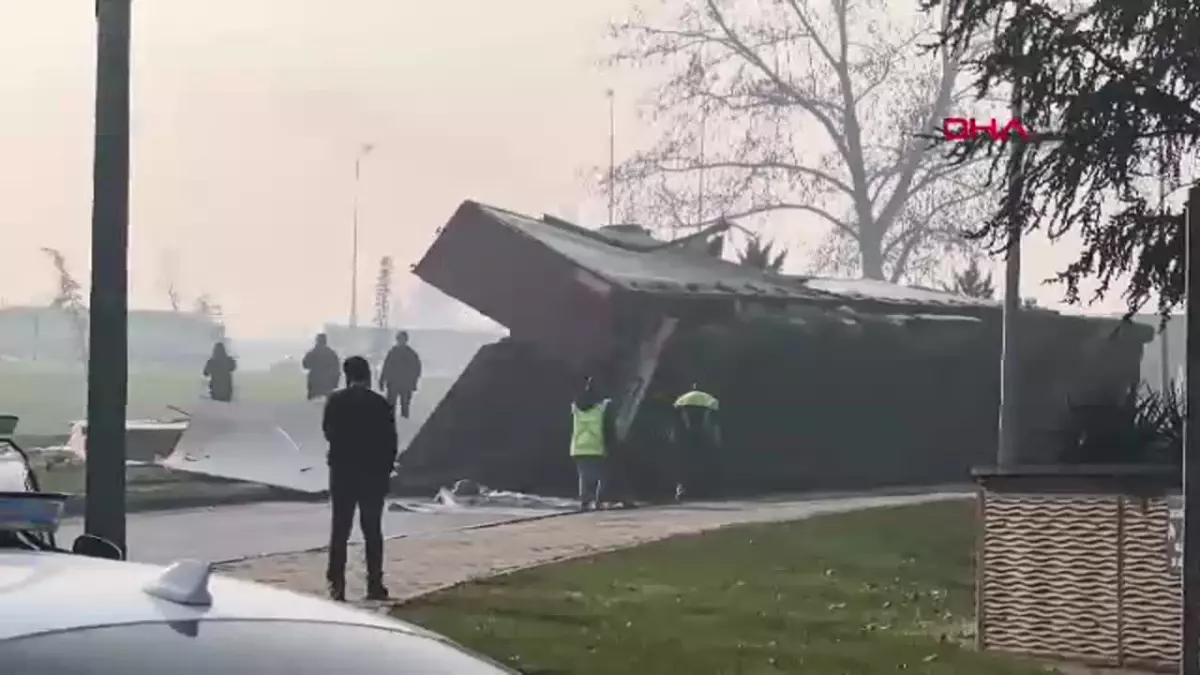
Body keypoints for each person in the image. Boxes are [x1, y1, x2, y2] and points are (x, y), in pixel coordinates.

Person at [321, 356, 398, 602]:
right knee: (372, 530)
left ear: (347, 375)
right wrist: (385, 471)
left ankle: (337, 584)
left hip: (343, 472)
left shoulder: (336, 400)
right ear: (369, 375)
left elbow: (329, 432)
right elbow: (390, 442)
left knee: (340, 528)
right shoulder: (380, 403)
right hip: (373, 474)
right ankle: (374, 583)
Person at [570, 377, 616, 511]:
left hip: (578, 447)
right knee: (602, 475)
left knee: (584, 476)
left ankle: (584, 502)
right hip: (596, 445)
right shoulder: (602, 408)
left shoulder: (575, 407)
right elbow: (608, 429)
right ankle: (599, 501)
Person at [671, 383, 722, 501]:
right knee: (702, 464)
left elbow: (679, 425)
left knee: (684, 466)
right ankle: (702, 490)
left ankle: (682, 490)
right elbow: (711, 425)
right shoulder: (708, 405)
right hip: (702, 438)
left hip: (686, 440)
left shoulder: (683, 405)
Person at [379, 331, 422, 419]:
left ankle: (404, 425)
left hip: (405, 384)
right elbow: (386, 367)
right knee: (391, 407)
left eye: (402, 339)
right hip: (393, 383)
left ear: (406, 340)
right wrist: (382, 380)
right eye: (399, 339)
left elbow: (417, 370)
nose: (400, 341)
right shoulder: (393, 352)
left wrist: (413, 382)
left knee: (405, 407)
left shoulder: (411, 354)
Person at [302, 333, 341, 400]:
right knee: (329, 399)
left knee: (311, 398)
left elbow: (305, 365)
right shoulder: (331, 353)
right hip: (328, 380)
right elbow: (336, 368)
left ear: (317, 341)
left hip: (315, 379)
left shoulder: (312, 353)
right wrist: (335, 382)